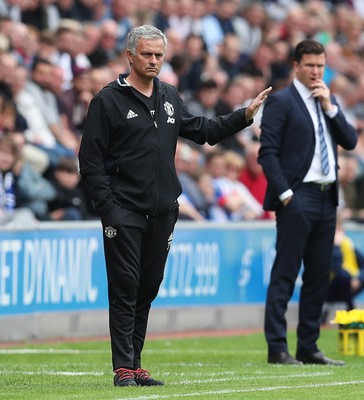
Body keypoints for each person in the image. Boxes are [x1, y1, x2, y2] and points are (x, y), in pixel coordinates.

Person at [78, 25, 271, 387]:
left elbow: (204, 131)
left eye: (159, 55)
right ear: (130, 56)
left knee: (148, 287)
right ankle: (122, 367)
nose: (153, 61)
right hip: (125, 211)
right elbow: (90, 161)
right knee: (125, 286)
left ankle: (135, 363)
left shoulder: (168, 95)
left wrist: (244, 116)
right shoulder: (108, 100)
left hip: (163, 211)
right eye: (147, 54)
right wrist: (108, 206)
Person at [258, 39, 357, 366]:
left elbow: (350, 140)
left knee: (318, 274)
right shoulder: (282, 101)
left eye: (321, 65)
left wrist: (331, 107)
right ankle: (277, 347)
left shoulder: (327, 100)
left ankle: (308, 346)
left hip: (327, 197)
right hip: (297, 197)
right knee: (285, 273)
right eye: (311, 65)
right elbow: (267, 153)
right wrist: (286, 195)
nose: (316, 71)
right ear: (296, 66)